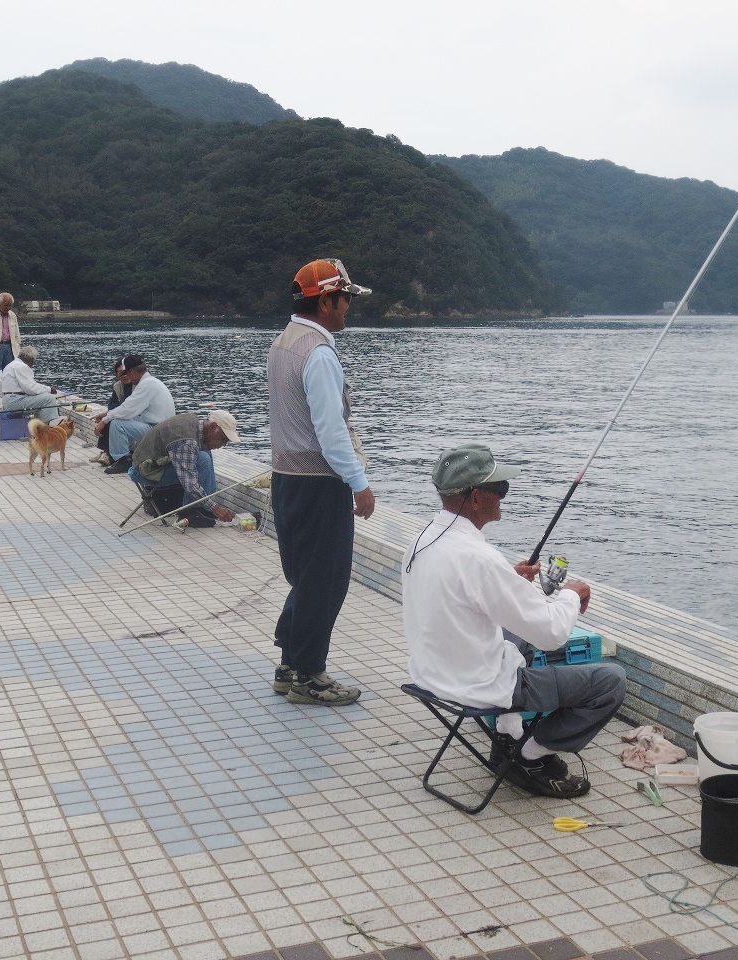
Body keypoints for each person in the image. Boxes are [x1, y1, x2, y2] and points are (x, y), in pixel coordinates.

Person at [401, 444, 627, 800]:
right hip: (475, 683)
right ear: (475, 498)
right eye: (500, 489)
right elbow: (552, 634)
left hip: (432, 673)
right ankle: (531, 756)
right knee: (611, 682)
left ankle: (509, 731)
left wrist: (512, 582)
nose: (504, 496)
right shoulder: (479, 558)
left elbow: (462, 597)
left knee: (516, 629)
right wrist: (571, 593)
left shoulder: (422, 537)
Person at [266, 258, 376, 706]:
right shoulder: (319, 353)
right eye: (345, 298)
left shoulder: (282, 343)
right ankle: (309, 676)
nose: (348, 307)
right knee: (325, 581)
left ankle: (291, 662)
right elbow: (331, 432)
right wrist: (359, 483)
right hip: (319, 484)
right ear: (326, 299)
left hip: (286, 479)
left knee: (305, 576)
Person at [128, 410, 240, 523]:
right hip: (147, 470)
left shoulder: (195, 422)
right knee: (203, 459)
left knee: (205, 451)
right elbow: (189, 484)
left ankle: (203, 505)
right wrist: (216, 509)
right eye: (223, 439)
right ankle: (189, 512)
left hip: (152, 461)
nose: (222, 445)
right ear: (213, 427)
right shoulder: (187, 441)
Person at [92, 355, 174, 473]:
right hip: (161, 428)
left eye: (127, 373)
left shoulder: (146, 385)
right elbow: (130, 409)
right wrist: (107, 414)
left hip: (157, 431)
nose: (126, 377)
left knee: (116, 423)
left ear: (132, 372)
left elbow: (127, 408)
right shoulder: (152, 382)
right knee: (119, 419)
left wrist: (104, 421)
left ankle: (124, 460)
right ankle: (130, 455)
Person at [0, 345, 60, 423]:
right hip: (15, 401)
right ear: (30, 360)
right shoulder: (21, 367)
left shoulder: (11, 365)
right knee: (49, 399)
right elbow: (30, 389)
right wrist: (49, 389)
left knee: (42, 398)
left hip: (8, 400)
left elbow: (27, 387)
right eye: (33, 361)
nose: (33, 364)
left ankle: (40, 425)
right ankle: (46, 428)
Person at [91, 359, 134, 466]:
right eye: (121, 373)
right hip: (122, 414)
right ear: (116, 375)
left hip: (135, 417)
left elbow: (129, 407)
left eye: (126, 372)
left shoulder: (137, 386)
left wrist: (109, 415)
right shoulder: (117, 386)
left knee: (111, 419)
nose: (124, 376)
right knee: (110, 417)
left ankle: (108, 455)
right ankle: (106, 452)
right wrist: (105, 414)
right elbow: (112, 405)